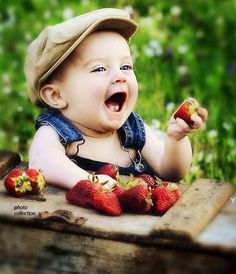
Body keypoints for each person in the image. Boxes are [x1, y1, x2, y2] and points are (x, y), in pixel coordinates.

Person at [24, 8, 207, 189]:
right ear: (57, 96)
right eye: (100, 69)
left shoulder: (134, 128)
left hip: (139, 217)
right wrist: (93, 183)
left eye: (126, 66)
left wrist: (176, 139)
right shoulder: (56, 133)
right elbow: (44, 162)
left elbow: (172, 172)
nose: (120, 76)